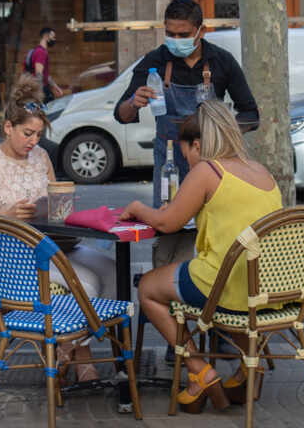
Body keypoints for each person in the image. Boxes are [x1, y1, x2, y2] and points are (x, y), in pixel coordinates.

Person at [119, 101, 282, 411]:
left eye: (186, 153)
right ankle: (251, 366)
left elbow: (168, 222)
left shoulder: (208, 170)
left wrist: (139, 209)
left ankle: (199, 370)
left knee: (149, 289)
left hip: (223, 282)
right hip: (264, 285)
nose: (186, 161)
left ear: (197, 144)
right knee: (227, 295)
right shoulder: (261, 171)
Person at [0, 73, 116, 379]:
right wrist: (6, 215)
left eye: (38, 134)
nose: (34, 141)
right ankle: (77, 354)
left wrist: (61, 206)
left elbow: (55, 203)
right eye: (27, 133)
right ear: (8, 128)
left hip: (53, 244)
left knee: (112, 270)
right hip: (12, 260)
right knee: (87, 285)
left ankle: (70, 347)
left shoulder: (42, 156)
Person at [114, 0, 259, 214]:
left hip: (212, 162)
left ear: (201, 31)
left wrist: (220, 132)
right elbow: (121, 115)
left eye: (183, 35)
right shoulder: (154, 61)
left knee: (211, 221)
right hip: (169, 162)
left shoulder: (222, 61)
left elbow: (251, 115)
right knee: (168, 223)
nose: (176, 40)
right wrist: (133, 103)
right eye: (170, 34)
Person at [24, 26, 64, 105]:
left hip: (41, 89)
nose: (54, 39)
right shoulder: (40, 52)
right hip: (40, 91)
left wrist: (55, 87)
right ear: (46, 36)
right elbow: (38, 74)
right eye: (53, 37)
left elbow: (45, 75)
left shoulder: (40, 51)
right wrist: (39, 95)